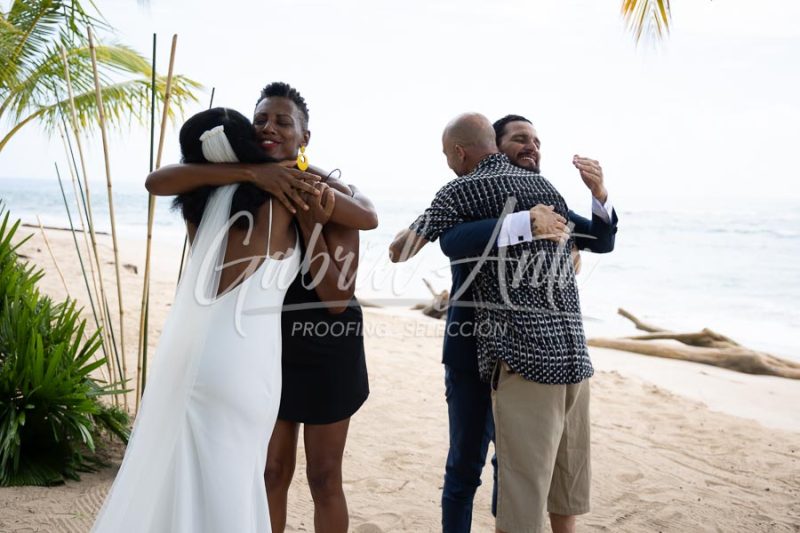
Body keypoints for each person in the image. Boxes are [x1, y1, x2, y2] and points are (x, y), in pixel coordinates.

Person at [146, 82, 377, 533]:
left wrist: (312, 218)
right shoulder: (237, 186)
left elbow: (364, 224)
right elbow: (160, 180)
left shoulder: (317, 186)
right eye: (261, 120)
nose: (269, 128)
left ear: (304, 138)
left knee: (324, 476)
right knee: (270, 470)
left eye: (283, 122)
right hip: (268, 344)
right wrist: (253, 174)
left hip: (330, 344)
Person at [93, 107, 303, 533]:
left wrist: (243, 171)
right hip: (248, 366)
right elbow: (364, 215)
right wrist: (267, 169)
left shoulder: (199, 203)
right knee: (233, 484)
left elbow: (158, 180)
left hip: (197, 355)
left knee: (182, 479)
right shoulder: (281, 197)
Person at [390, 113, 593, 533]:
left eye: (448, 156)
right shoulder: (545, 188)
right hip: (574, 357)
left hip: (519, 357)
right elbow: (572, 253)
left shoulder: (460, 189)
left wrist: (434, 224)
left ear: (460, 153)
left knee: (510, 482)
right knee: (561, 482)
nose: (448, 163)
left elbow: (400, 249)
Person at [436, 114, 618, 532]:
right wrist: (523, 224)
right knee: (464, 466)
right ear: (494, 149)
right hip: (471, 356)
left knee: (518, 468)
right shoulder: (471, 196)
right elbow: (452, 241)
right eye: (520, 139)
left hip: (532, 361)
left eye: (536, 140)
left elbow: (601, 240)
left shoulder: (549, 204)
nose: (532, 146)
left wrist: (600, 194)